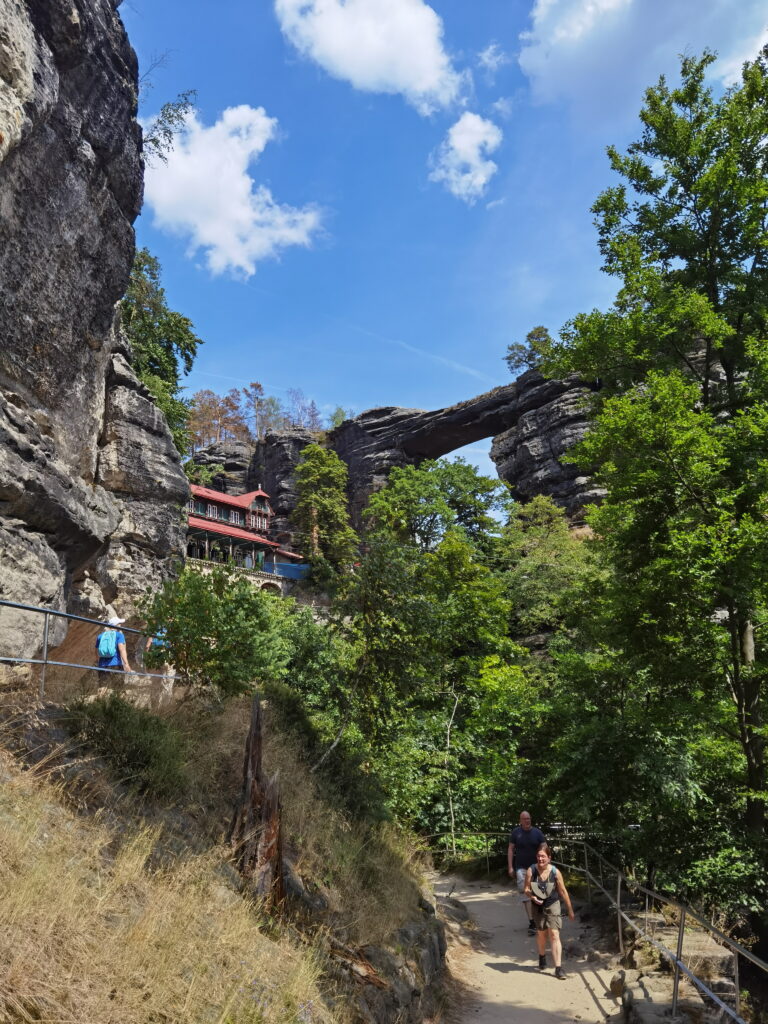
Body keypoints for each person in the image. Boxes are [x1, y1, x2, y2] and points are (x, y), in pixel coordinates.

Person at [525, 842, 575, 980]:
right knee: (542, 934)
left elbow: (563, 892)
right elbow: (526, 889)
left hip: (553, 904)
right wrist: (532, 897)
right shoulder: (531, 870)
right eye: (538, 856)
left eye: (543, 856)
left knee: (554, 934)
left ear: (549, 857)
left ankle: (558, 968)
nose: (540, 859)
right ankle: (542, 956)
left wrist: (570, 910)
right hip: (537, 906)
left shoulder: (555, 872)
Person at [508, 811, 546, 935]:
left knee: (540, 892)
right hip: (521, 868)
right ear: (520, 820)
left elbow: (544, 846)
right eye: (524, 819)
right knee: (525, 893)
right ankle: (532, 922)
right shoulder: (516, 833)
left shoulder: (537, 833)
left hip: (536, 868)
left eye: (528, 818)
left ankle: (540, 918)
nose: (527, 821)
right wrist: (510, 867)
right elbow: (510, 849)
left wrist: (545, 863)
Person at [144, 627, 175, 709]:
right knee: (167, 685)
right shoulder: (173, 630)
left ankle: (154, 708)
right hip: (168, 662)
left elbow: (147, 647)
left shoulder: (154, 630)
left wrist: (147, 662)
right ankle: (164, 709)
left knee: (155, 684)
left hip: (155, 661)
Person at [95, 616, 131, 682]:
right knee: (118, 688)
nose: (121, 625)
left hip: (102, 665)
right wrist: (126, 664)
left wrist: (98, 663)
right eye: (120, 624)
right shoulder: (119, 635)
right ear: (116, 625)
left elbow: (96, 651)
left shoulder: (100, 636)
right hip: (115, 664)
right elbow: (122, 650)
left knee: (102, 689)